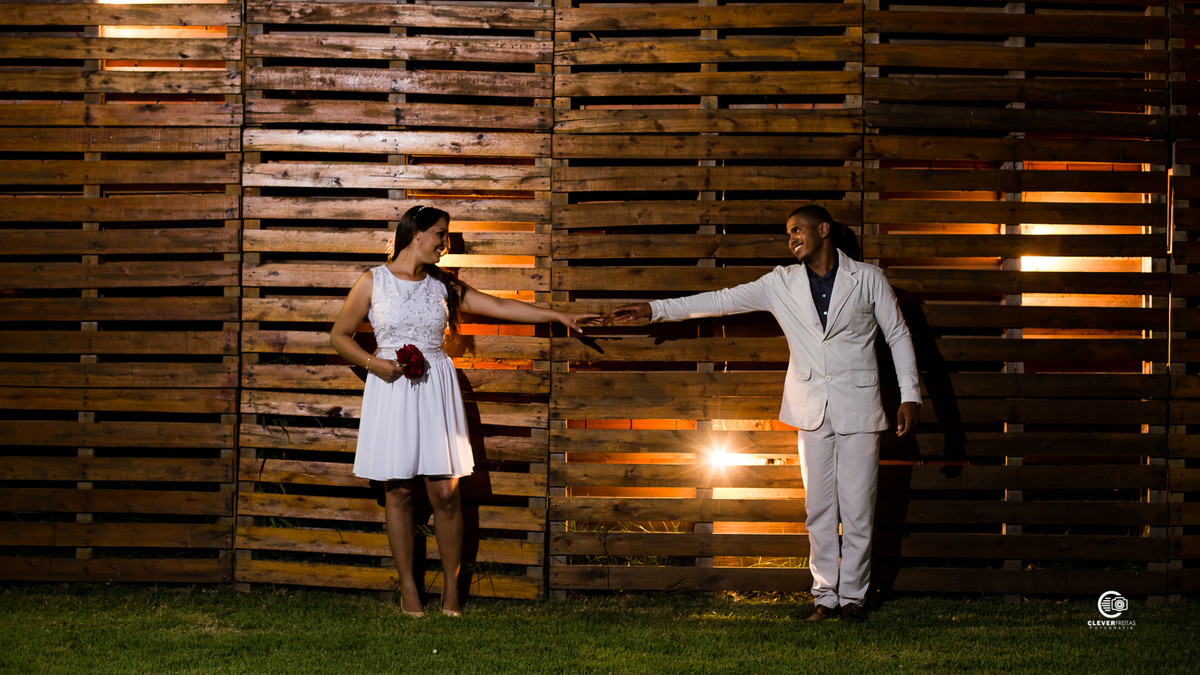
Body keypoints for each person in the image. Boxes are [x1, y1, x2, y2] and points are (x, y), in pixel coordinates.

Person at [609, 204, 920, 624]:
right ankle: (825, 597)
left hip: (861, 407)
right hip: (810, 409)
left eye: (798, 230)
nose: (791, 238)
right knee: (819, 510)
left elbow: (898, 334)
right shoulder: (780, 282)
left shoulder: (868, 278)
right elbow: (720, 300)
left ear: (823, 230)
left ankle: (854, 599)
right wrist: (655, 309)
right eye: (787, 233)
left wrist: (910, 395)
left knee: (859, 508)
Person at [331, 205, 599, 617]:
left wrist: (558, 315)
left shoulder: (444, 285)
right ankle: (409, 590)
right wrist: (376, 364)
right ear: (416, 233)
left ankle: (452, 590)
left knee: (446, 493)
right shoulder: (373, 281)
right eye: (440, 235)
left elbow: (502, 307)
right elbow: (339, 335)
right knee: (399, 492)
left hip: (435, 385)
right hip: (392, 386)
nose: (444, 244)